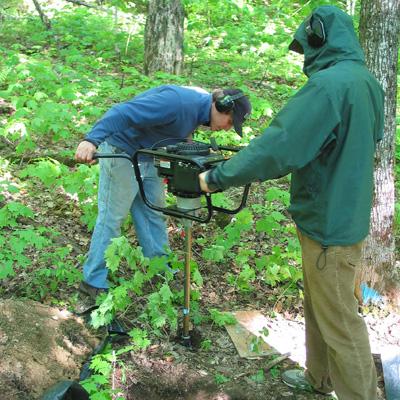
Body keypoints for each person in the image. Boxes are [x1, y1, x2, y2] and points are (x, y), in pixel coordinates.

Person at [199, 6, 383, 400]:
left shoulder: (329, 87)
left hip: (330, 220)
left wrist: (217, 177)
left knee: (340, 322)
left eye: (306, 46)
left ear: (319, 38)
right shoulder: (366, 82)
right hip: (342, 213)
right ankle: (320, 378)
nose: (304, 56)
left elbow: (278, 147)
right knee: (322, 304)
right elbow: (370, 135)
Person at [74, 85, 251, 312]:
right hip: (122, 150)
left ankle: (160, 269)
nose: (227, 128)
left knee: (153, 214)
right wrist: (91, 140)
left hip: (150, 157)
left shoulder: (199, 111)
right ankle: (92, 285)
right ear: (220, 107)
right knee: (112, 218)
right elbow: (123, 112)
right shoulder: (177, 103)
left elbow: (178, 133)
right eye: (230, 122)